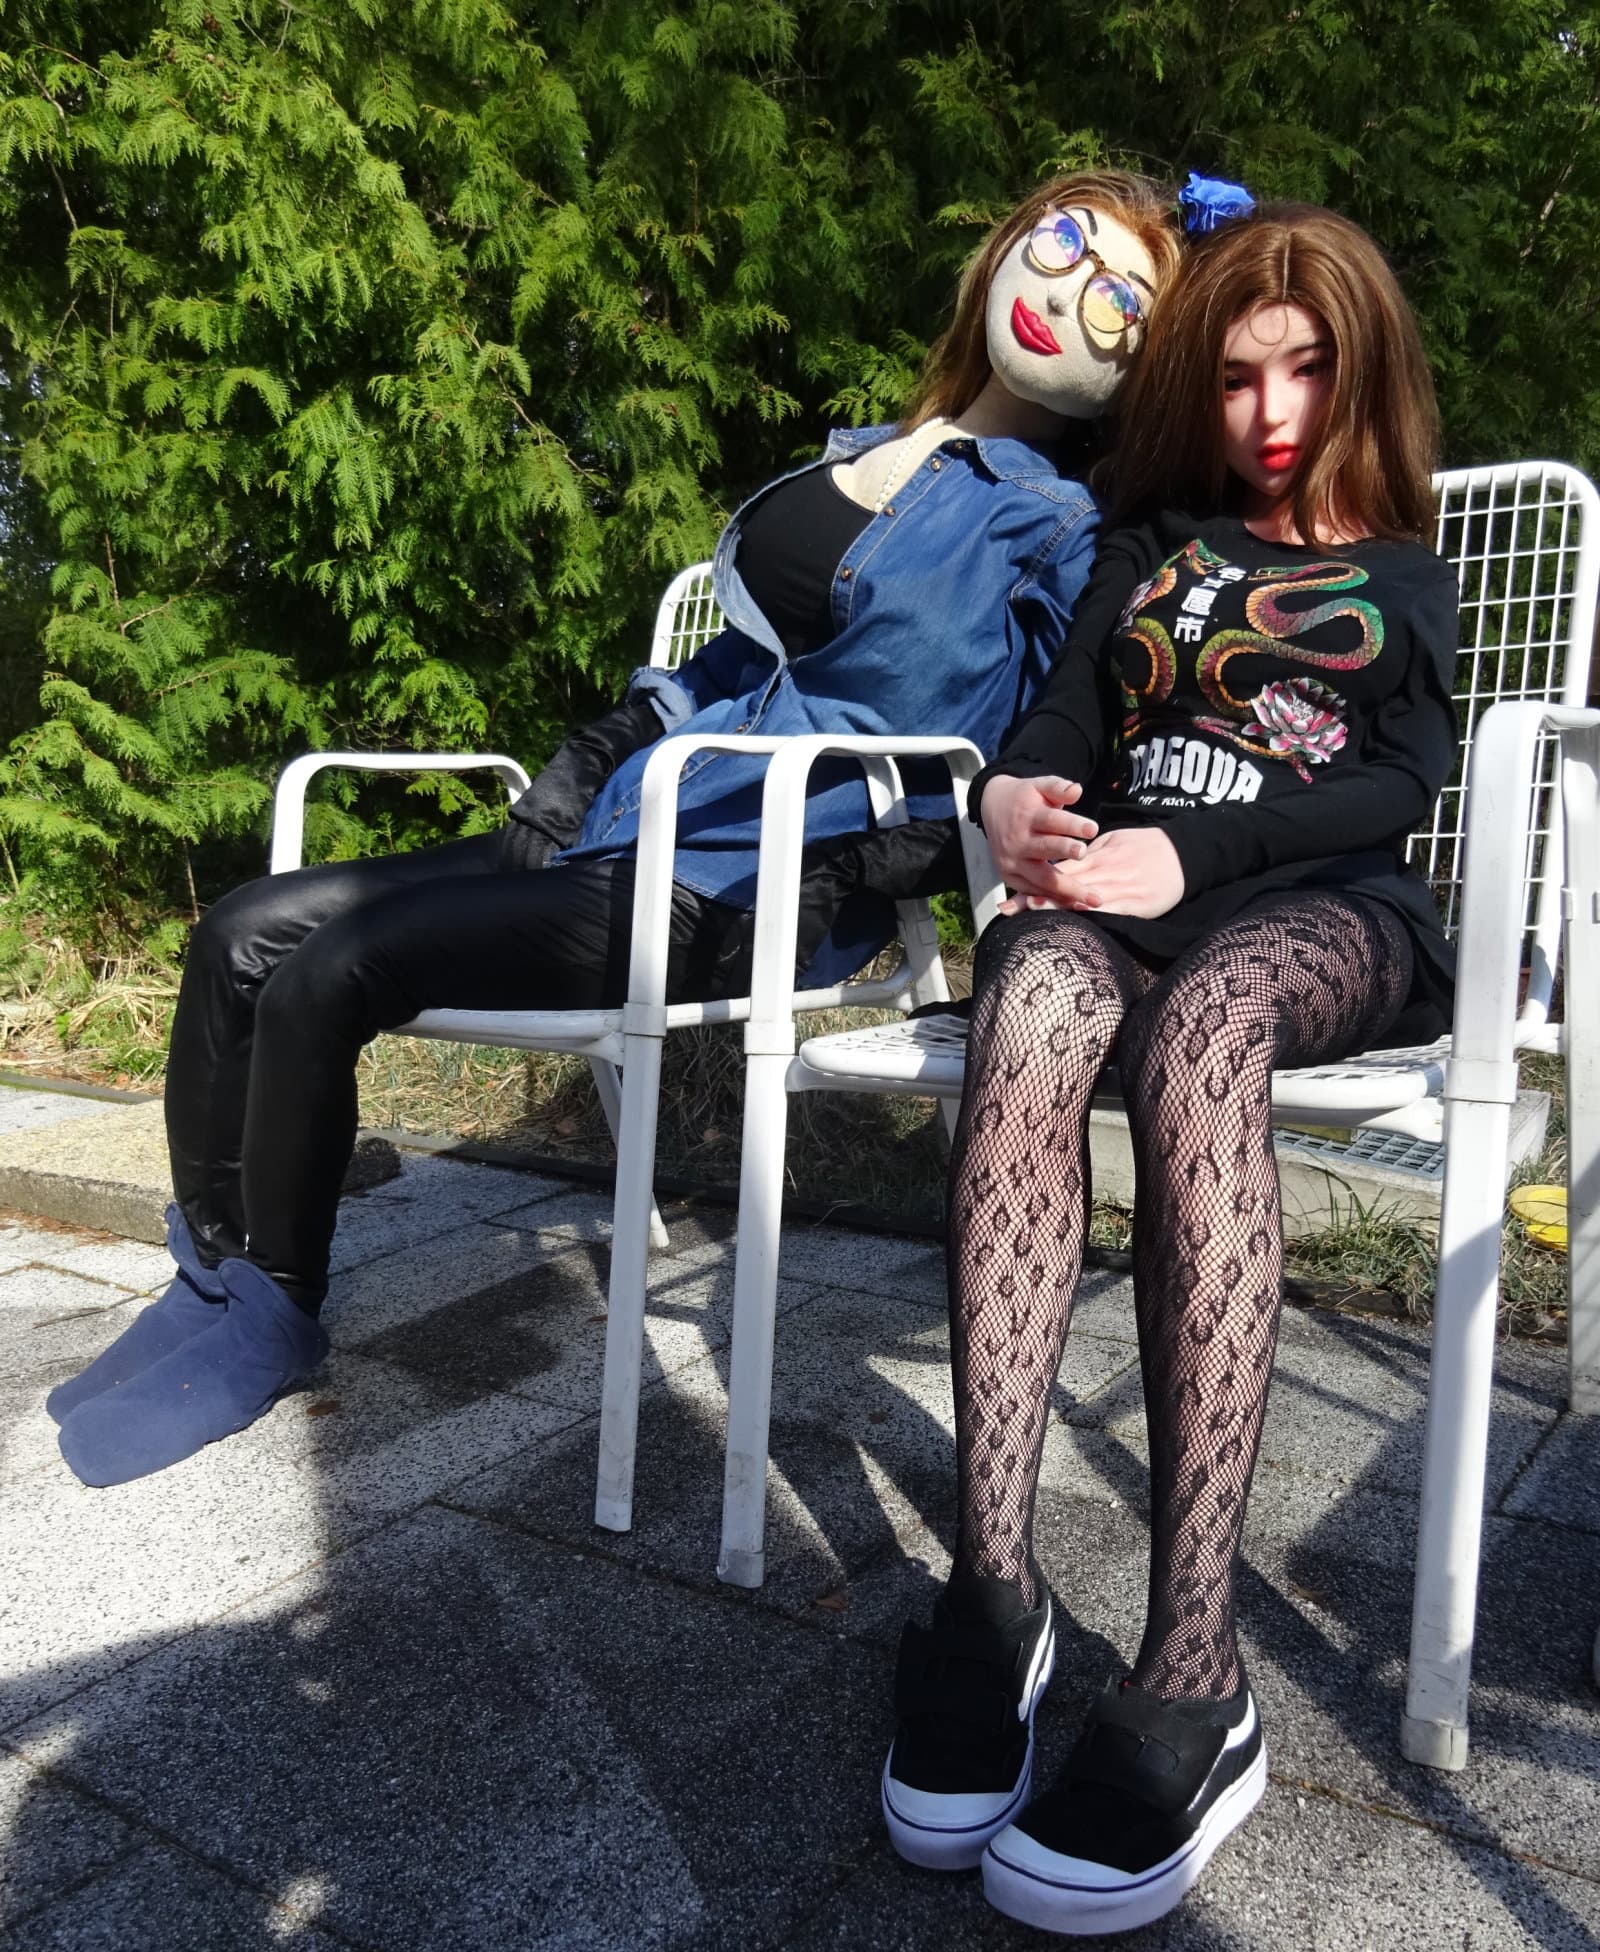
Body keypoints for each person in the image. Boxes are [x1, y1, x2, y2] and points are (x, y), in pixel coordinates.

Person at [49, 171, 1186, 1488]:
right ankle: (215, 1276)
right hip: (624, 821)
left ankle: (276, 1314)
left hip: (749, 884)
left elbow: (1024, 752)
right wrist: (588, 756)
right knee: (242, 932)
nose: (1069, 297)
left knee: (332, 967)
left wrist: (887, 859)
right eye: (1062, 245)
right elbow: (728, 667)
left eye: (1120, 301)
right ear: (1006, 248)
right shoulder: (869, 451)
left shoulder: (1054, 526)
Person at [880, 203, 1460, 1935]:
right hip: (1121, 899)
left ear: (1361, 372)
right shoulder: (1150, 545)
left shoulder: (1401, 570)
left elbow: (1401, 782)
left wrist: (1195, 857)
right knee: (1032, 1001)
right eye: (1235, 377)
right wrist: (1013, 791)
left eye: (1306, 369)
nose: (1271, 411)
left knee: (1204, 1028)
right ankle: (994, 1597)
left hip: (1326, 913)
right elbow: (1071, 710)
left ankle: (1196, 1672)